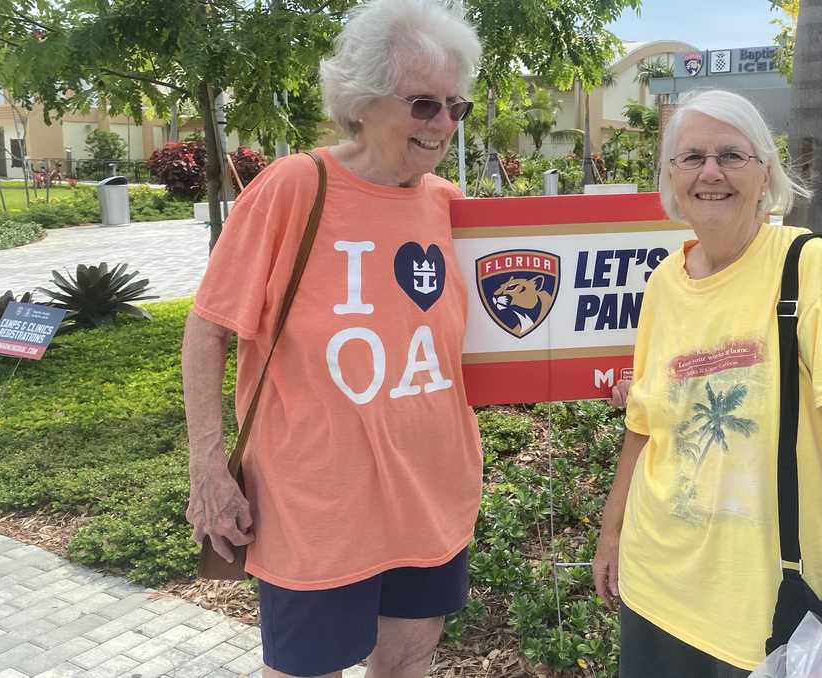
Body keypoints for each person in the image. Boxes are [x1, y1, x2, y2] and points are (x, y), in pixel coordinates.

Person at [181, 2, 483, 676]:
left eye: (455, 107)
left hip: (431, 496)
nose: (442, 125)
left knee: (407, 661)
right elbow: (208, 326)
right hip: (318, 509)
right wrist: (207, 466)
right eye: (424, 104)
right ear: (363, 100)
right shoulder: (296, 187)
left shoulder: (448, 204)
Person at [593, 90, 822, 678]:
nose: (710, 172)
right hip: (654, 582)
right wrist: (611, 534)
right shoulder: (663, 283)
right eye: (692, 157)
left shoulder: (812, 267)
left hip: (769, 603)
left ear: (765, 173)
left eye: (732, 156)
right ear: (671, 177)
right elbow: (644, 426)